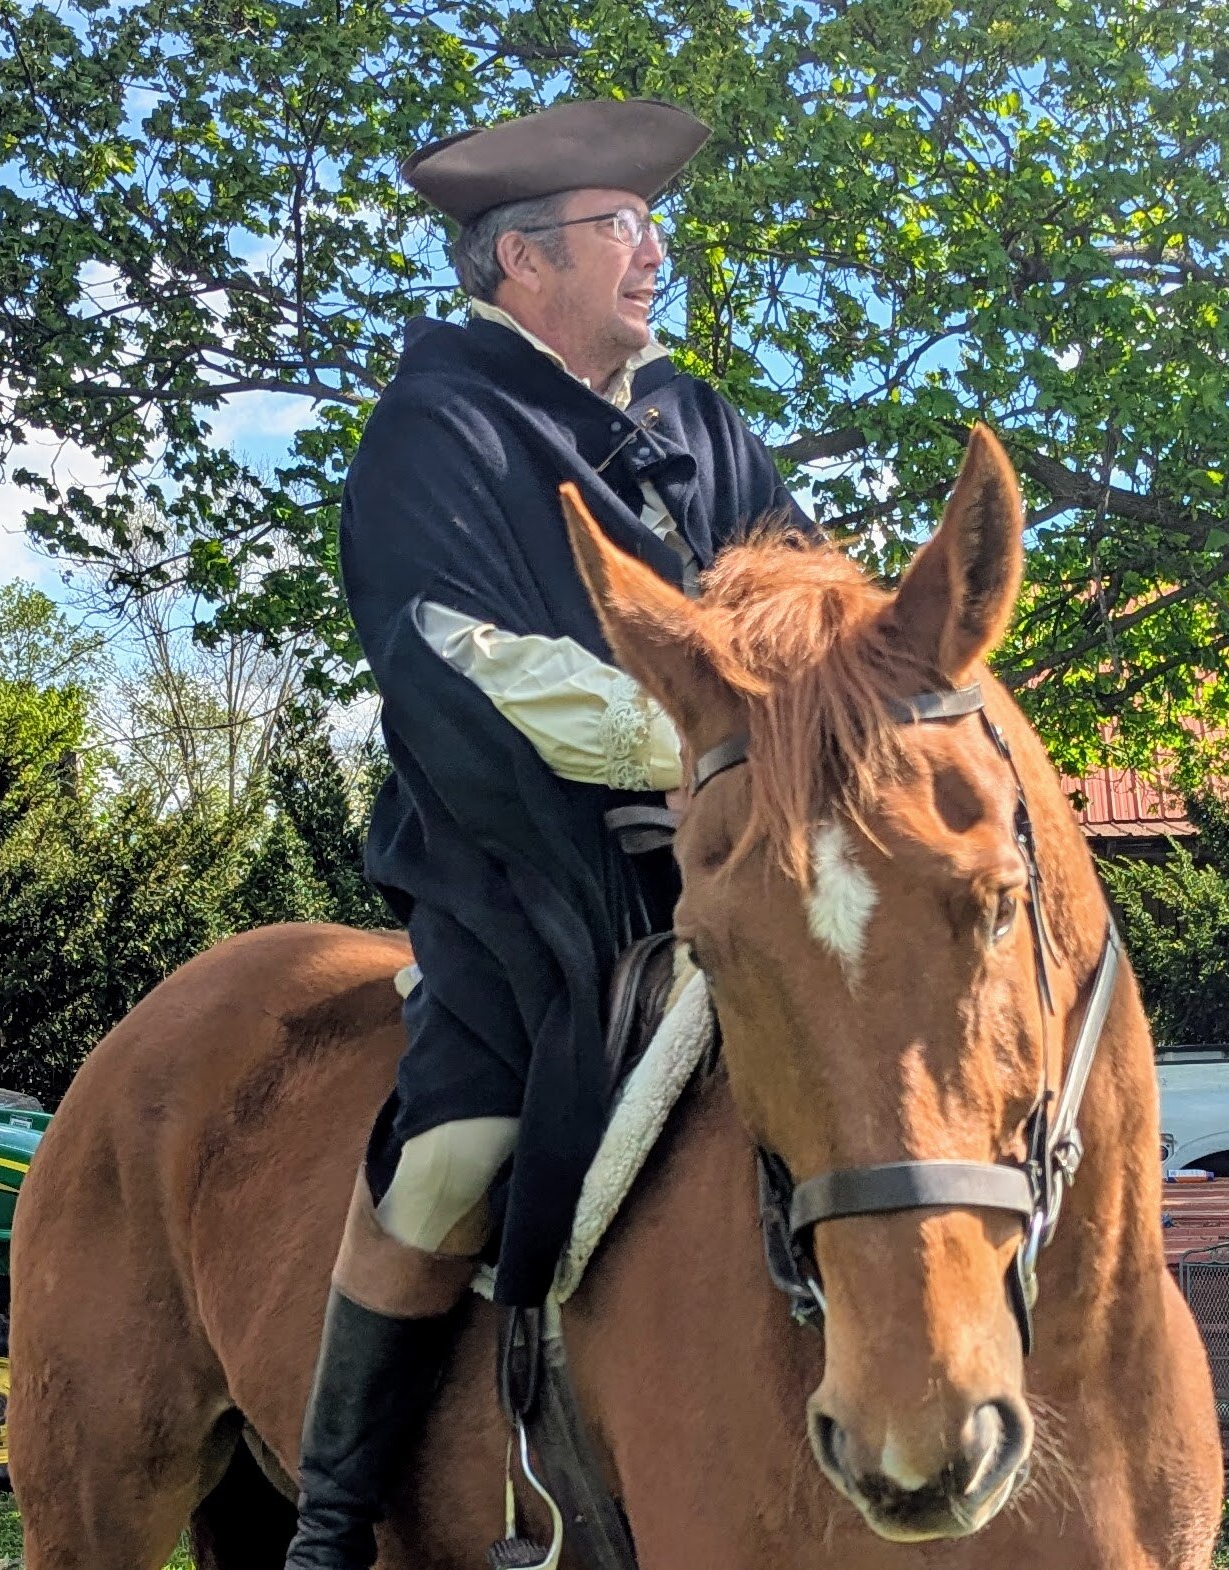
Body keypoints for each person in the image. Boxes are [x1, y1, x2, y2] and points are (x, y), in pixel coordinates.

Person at [287, 98, 808, 1568]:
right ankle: (332, 1512)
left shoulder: (697, 417)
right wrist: (700, 733)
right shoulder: (435, 424)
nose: (653, 251)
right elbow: (455, 654)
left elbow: (808, 597)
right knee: (459, 1145)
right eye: (618, 230)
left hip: (732, 848)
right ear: (521, 259)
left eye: (650, 226)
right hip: (520, 862)